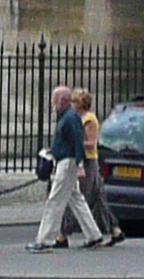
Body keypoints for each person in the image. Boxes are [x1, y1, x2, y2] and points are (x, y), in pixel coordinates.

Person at [29, 84, 101, 251]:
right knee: (76, 199)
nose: (52, 102)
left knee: (55, 200)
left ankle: (45, 240)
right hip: (65, 160)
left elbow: (78, 141)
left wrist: (80, 164)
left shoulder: (70, 117)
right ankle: (93, 234)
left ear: (62, 100)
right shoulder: (66, 116)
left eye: (55, 98)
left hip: (68, 162)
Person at [72, 90, 122, 245]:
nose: (72, 104)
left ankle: (64, 233)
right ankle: (115, 230)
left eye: (75, 101)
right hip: (84, 160)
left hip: (89, 161)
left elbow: (91, 143)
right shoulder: (80, 118)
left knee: (82, 198)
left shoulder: (89, 119)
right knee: (98, 199)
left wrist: (73, 143)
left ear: (81, 103)